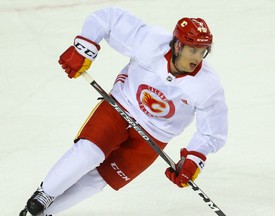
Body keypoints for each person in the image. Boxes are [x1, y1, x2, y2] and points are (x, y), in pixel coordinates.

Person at [20, 6, 228, 216]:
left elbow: (212, 132)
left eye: (203, 51)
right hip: (121, 106)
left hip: (155, 136)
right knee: (88, 152)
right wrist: (84, 47)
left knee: (100, 179)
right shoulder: (150, 42)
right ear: (177, 46)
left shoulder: (208, 85)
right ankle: (45, 193)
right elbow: (108, 18)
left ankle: (39, 213)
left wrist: (193, 158)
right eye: (193, 50)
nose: (198, 57)